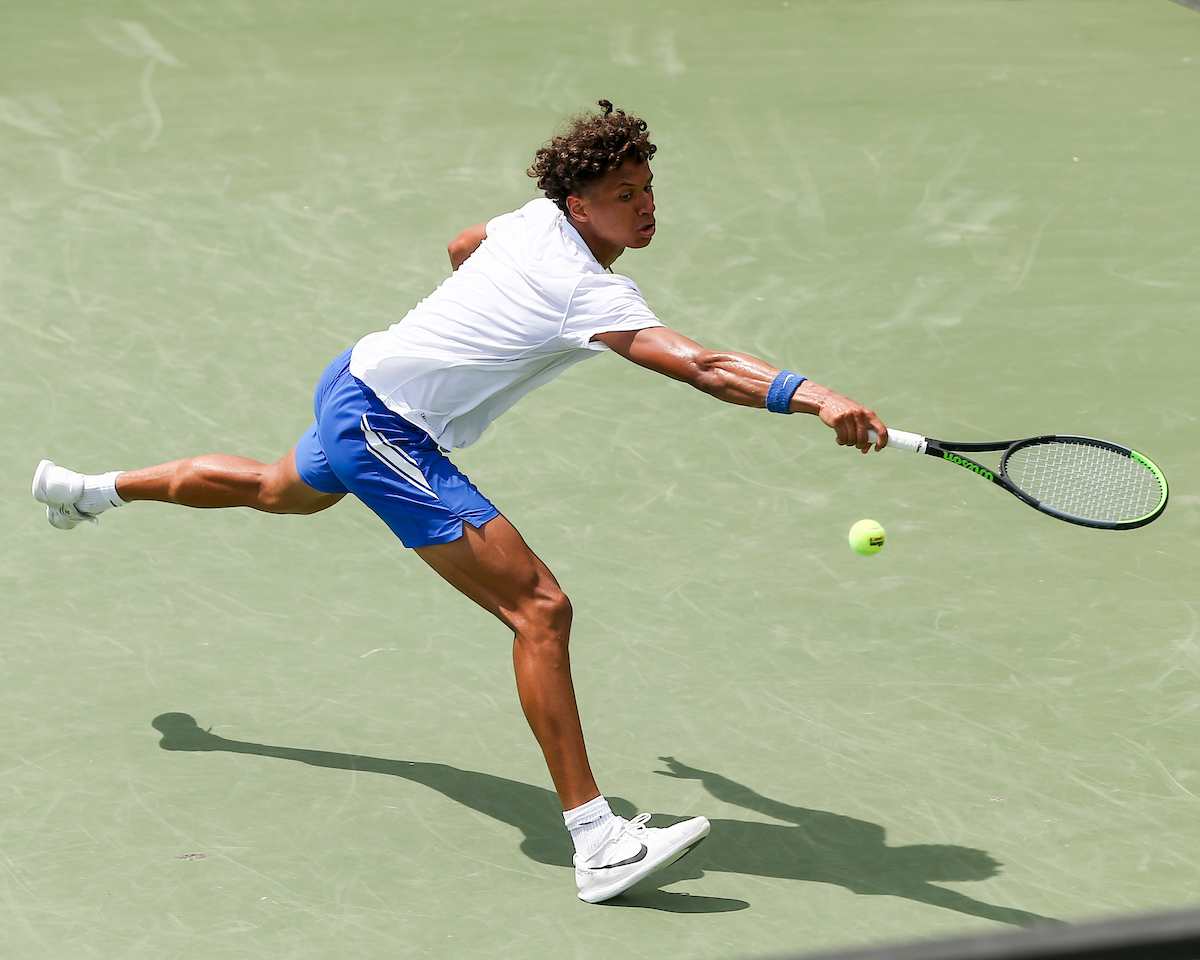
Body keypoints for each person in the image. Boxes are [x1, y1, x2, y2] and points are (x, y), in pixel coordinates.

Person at [32, 100, 888, 904]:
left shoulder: (530, 222)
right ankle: (598, 843)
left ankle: (88, 492)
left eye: (649, 189)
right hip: (386, 428)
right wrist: (815, 397)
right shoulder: (591, 295)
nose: (646, 207)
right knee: (540, 611)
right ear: (579, 205)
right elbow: (701, 366)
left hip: (358, 374)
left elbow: (459, 245)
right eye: (622, 195)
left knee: (273, 490)